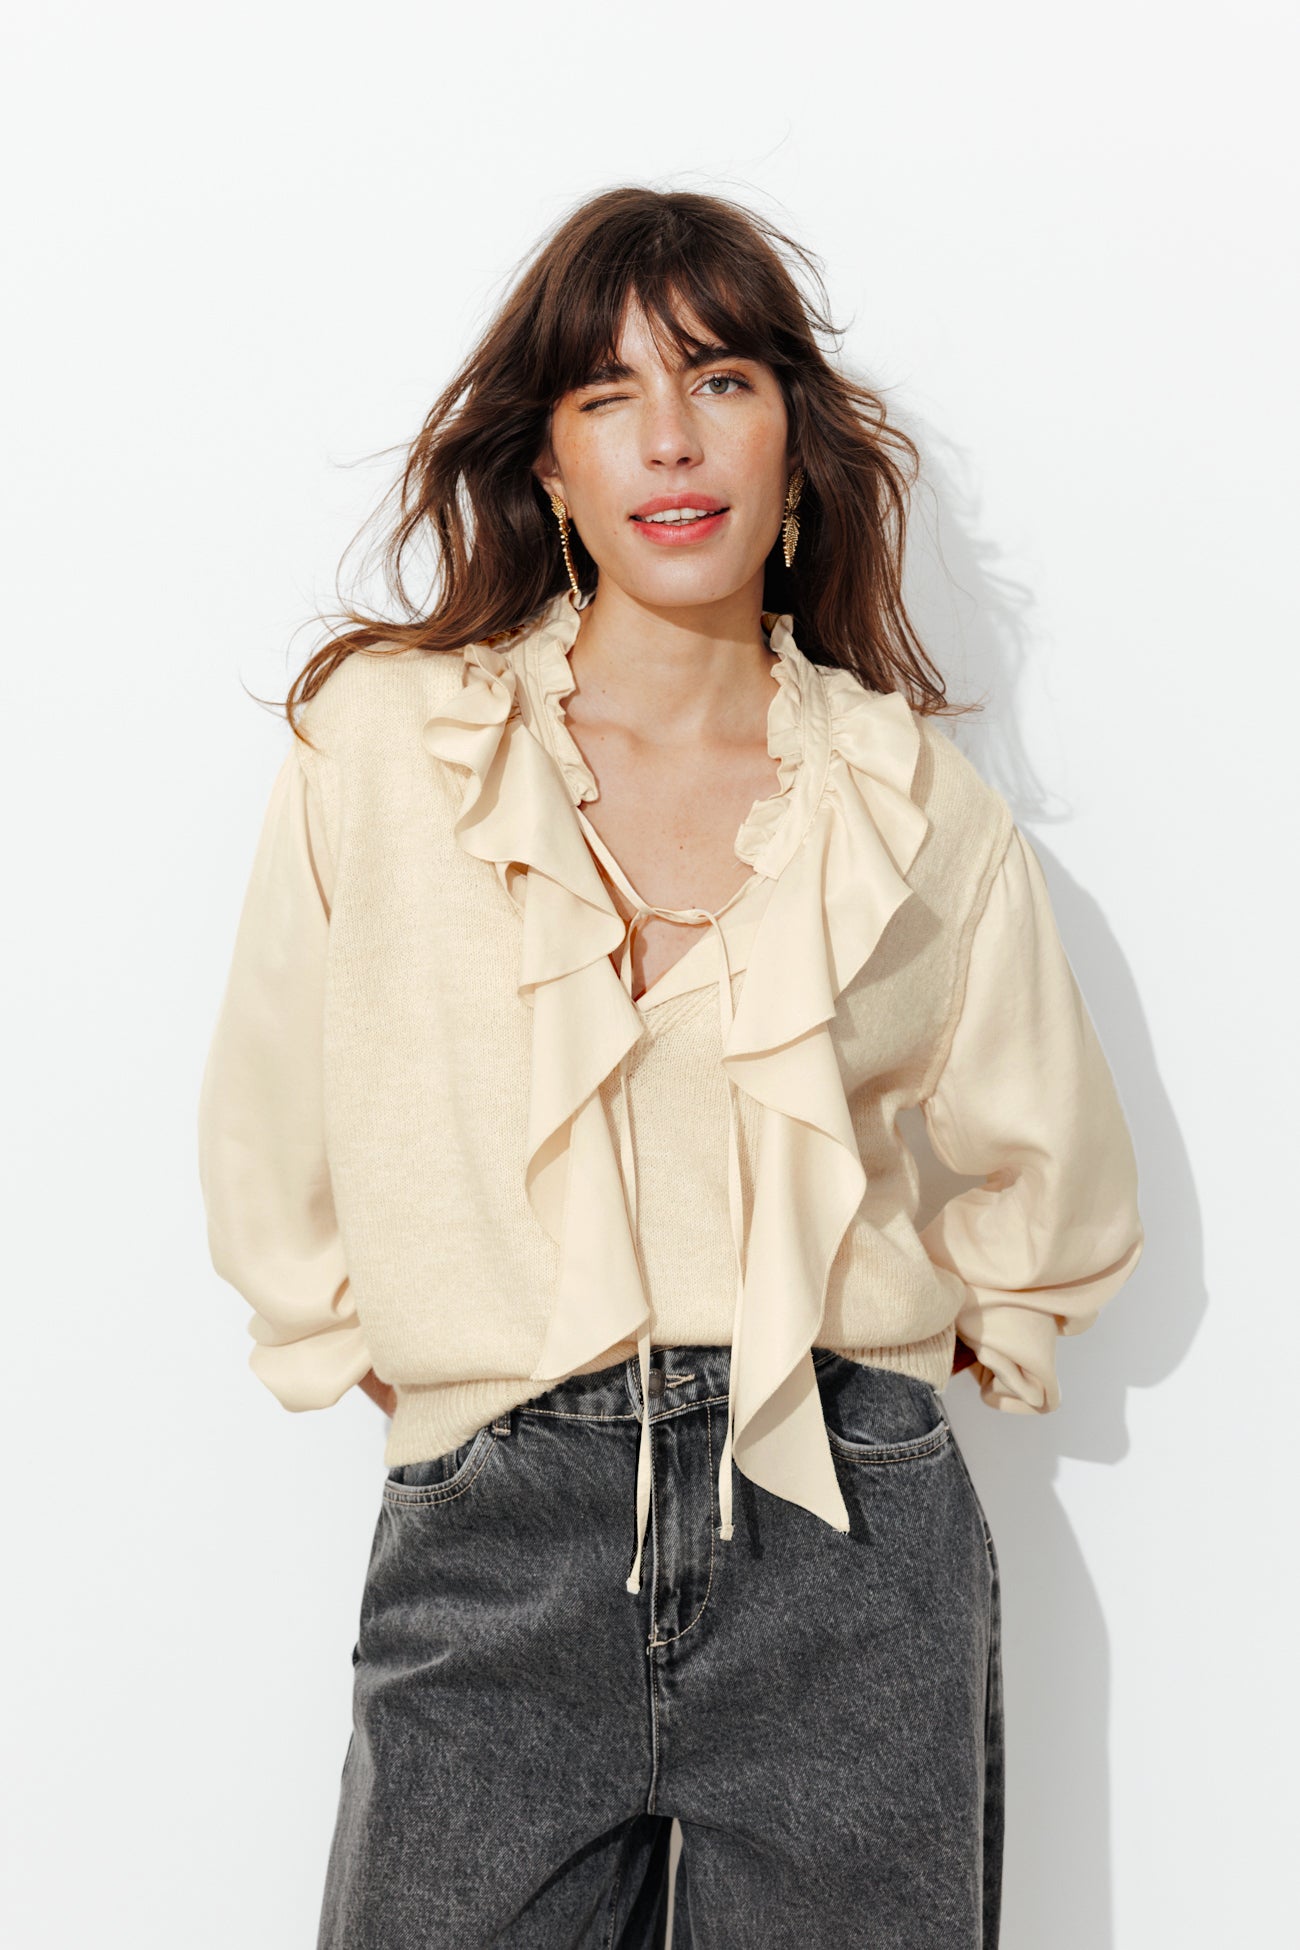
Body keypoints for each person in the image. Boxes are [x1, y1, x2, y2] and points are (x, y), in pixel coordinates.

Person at [196, 186, 1145, 1949]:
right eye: (608, 393)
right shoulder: (390, 748)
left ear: (793, 443)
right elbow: (272, 1123)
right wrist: (436, 1369)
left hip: (849, 1539)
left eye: (719, 380)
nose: (672, 438)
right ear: (549, 469)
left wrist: (902, 1355)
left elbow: (1052, 1186)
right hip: (497, 1534)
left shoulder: (914, 803)